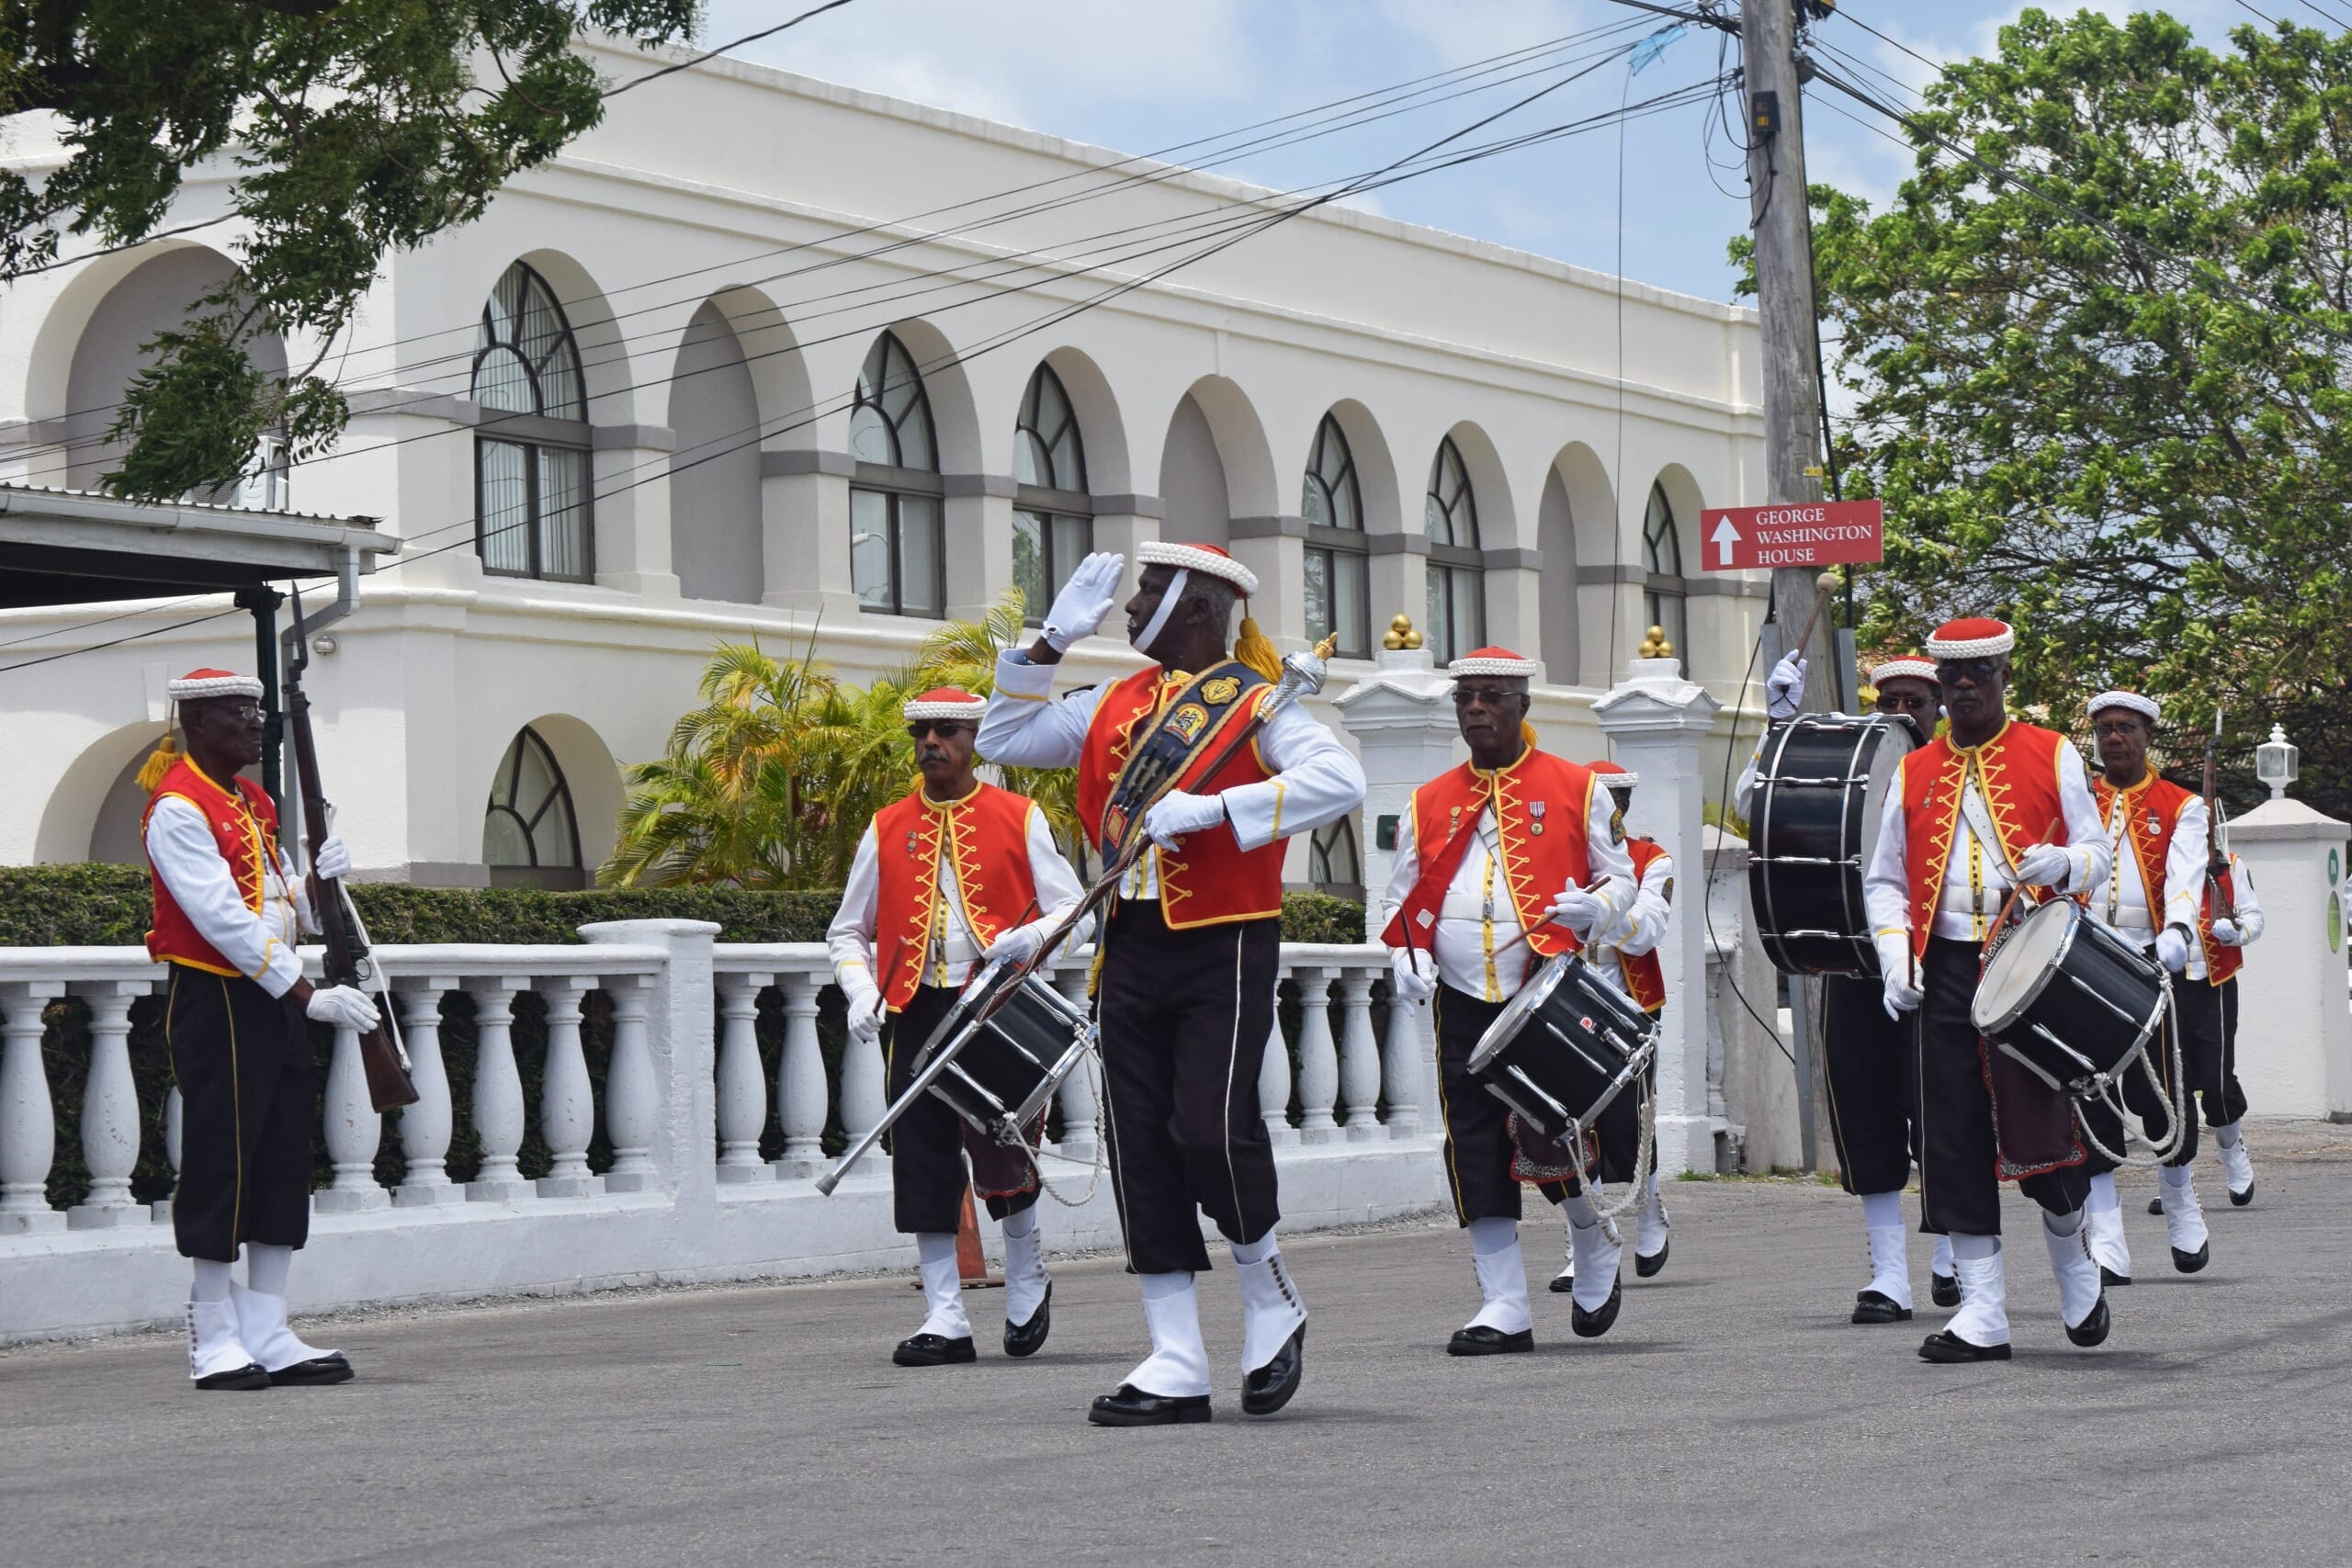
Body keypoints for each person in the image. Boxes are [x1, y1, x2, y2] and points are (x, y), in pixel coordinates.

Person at [978, 544, 1365, 1426]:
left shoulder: (1259, 706)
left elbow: (1340, 779)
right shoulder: (1112, 701)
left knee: (1209, 1126)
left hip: (1223, 941)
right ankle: (1176, 1354)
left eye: (1150, 588)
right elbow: (1001, 736)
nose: (1131, 602)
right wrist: (1048, 644)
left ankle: (1270, 1295)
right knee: (1141, 1142)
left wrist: (1224, 810)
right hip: (1132, 943)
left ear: (1197, 607)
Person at [1860, 619, 2117, 1362]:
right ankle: (1983, 1310)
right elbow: (1883, 880)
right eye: (1954, 676)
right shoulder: (1912, 771)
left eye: (1980, 673)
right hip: (1944, 965)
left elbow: (2098, 852)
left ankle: (2074, 1266)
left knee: (2043, 1128)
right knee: (1950, 1135)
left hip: (2032, 964)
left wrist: (2064, 860)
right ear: (1939, 685)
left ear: (2005, 673)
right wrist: (1891, 955)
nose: (1966, 686)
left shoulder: (2053, 751)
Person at [1378, 647, 1637, 1353]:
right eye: (1466, 697)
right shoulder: (1426, 799)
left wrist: (1596, 907)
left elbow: (1622, 880)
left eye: (1492, 696)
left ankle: (1591, 1233)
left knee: (1557, 1135)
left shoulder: (1579, 787)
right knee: (1472, 1142)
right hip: (1461, 995)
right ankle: (1504, 1303)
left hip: (1545, 992)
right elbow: (1401, 898)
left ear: (1524, 703)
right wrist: (1405, 951)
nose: (1476, 709)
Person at [828, 687, 1087, 1367]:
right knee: (920, 1155)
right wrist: (859, 989)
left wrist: (1027, 938)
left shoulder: (1020, 815)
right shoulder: (885, 825)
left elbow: (1075, 914)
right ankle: (945, 1315)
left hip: (994, 1002)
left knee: (1005, 1143)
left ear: (975, 739)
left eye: (946, 731)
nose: (931, 743)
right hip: (914, 1006)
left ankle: (1028, 1277)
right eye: (921, 732)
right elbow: (847, 932)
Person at [140, 668, 379, 1391]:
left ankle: (268, 1327)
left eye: (256, 712)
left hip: (272, 994)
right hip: (216, 997)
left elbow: (275, 907)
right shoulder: (177, 807)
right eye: (241, 714)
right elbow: (222, 922)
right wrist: (308, 994)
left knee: (280, 1154)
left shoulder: (253, 800)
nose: (256, 725)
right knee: (222, 1157)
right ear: (200, 722)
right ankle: (212, 1332)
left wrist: (318, 885)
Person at [1737, 652, 1959, 1320]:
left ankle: (1952, 1251)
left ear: (1938, 706)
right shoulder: (1863, 760)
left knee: (1945, 1113)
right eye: (1889, 699)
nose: (1900, 712)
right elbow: (1759, 804)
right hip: (1859, 963)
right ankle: (1889, 1273)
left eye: (1914, 701)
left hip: (1938, 961)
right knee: (1864, 1117)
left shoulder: (1957, 766)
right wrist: (1776, 728)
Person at [2077, 690, 2233, 1281]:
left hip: (2151, 959)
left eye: (2126, 728)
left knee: (2162, 1088)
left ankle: (2181, 1197)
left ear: (2147, 736)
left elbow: (2187, 877)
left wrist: (2174, 935)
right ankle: (2107, 1227)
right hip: (2084, 957)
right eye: (2105, 729)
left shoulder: (2181, 804)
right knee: (2089, 1090)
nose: (2114, 738)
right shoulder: (2081, 798)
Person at [1549, 759, 1670, 1291]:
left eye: (1617, 799)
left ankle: (1649, 1211)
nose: (1611, 813)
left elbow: (1647, 932)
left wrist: (1599, 910)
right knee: (1569, 1126)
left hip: (1630, 1005)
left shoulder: (1650, 858)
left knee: (1627, 1124)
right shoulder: (1560, 854)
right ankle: (1588, 1241)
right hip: (1568, 1004)